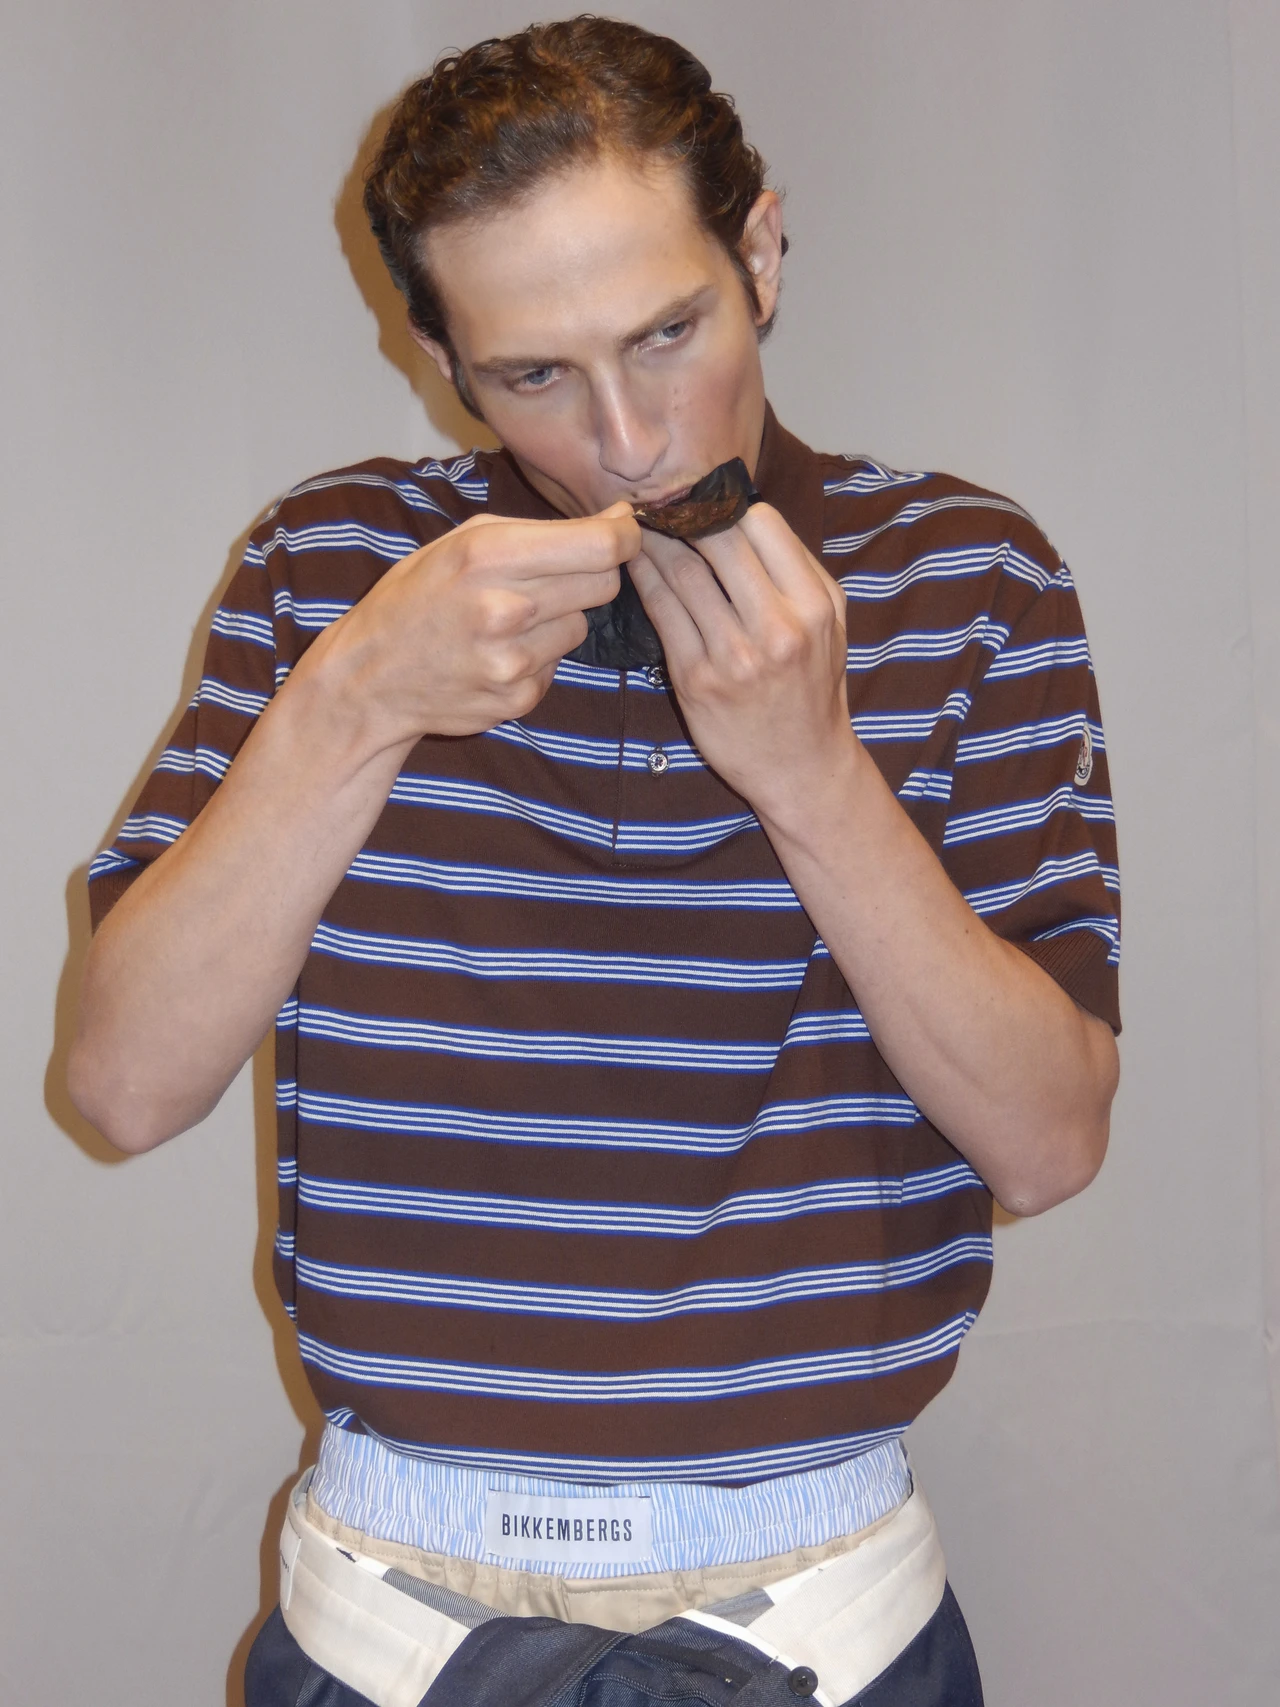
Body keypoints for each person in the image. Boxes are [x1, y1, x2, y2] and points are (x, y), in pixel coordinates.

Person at [68, 17, 1120, 1707]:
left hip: (830, 1619)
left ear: (760, 251)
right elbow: (122, 1085)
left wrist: (813, 774)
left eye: (668, 333)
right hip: (385, 1618)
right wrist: (356, 700)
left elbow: (1050, 1139)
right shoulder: (328, 571)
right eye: (534, 376)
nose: (629, 440)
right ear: (440, 356)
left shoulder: (974, 578)